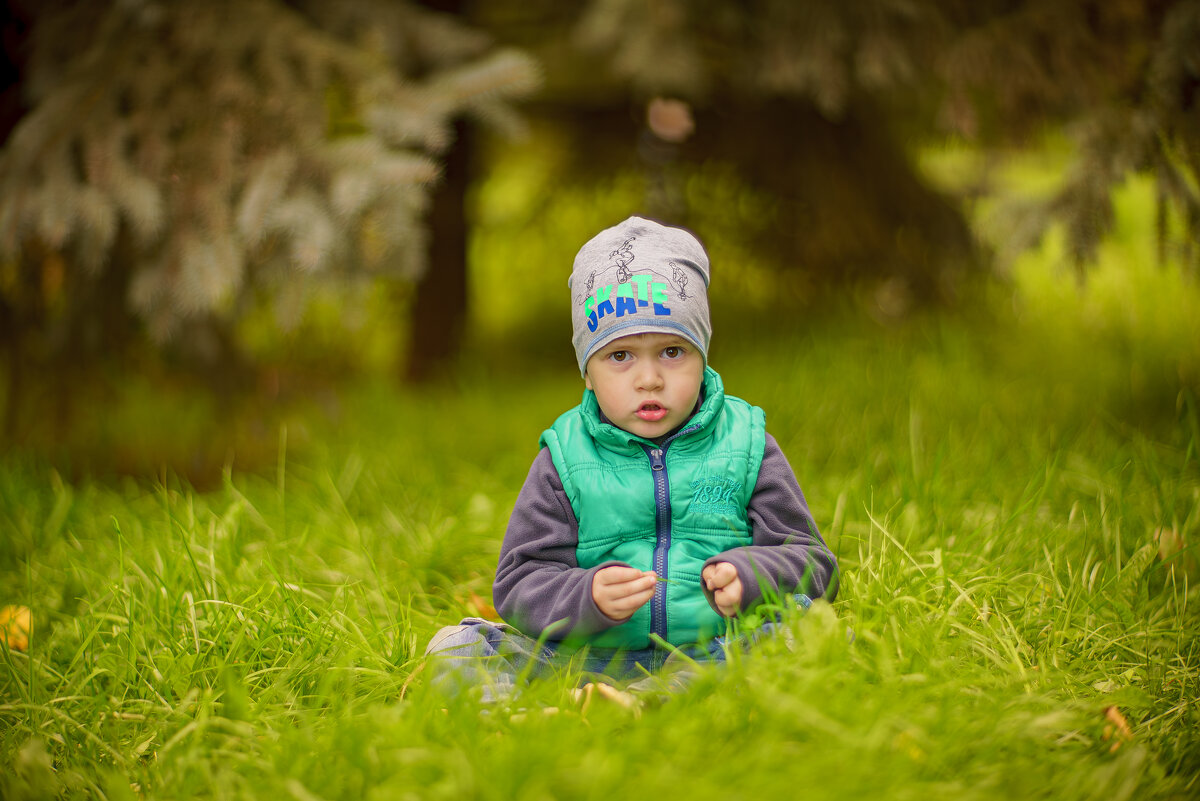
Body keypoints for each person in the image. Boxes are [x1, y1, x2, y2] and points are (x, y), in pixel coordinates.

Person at [424, 216, 838, 702]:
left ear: (703, 355)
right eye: (620, 356)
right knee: (457, 648)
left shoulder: (746, 444)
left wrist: (750, 575)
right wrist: (590, 597)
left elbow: (813, 563)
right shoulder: (565, 458)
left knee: (810, 630)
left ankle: (649, 701)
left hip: (718, 648)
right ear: (587, 373)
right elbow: (519, 584)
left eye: (671, 351)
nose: (649, 379)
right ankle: (546, 714)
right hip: (587, 656)